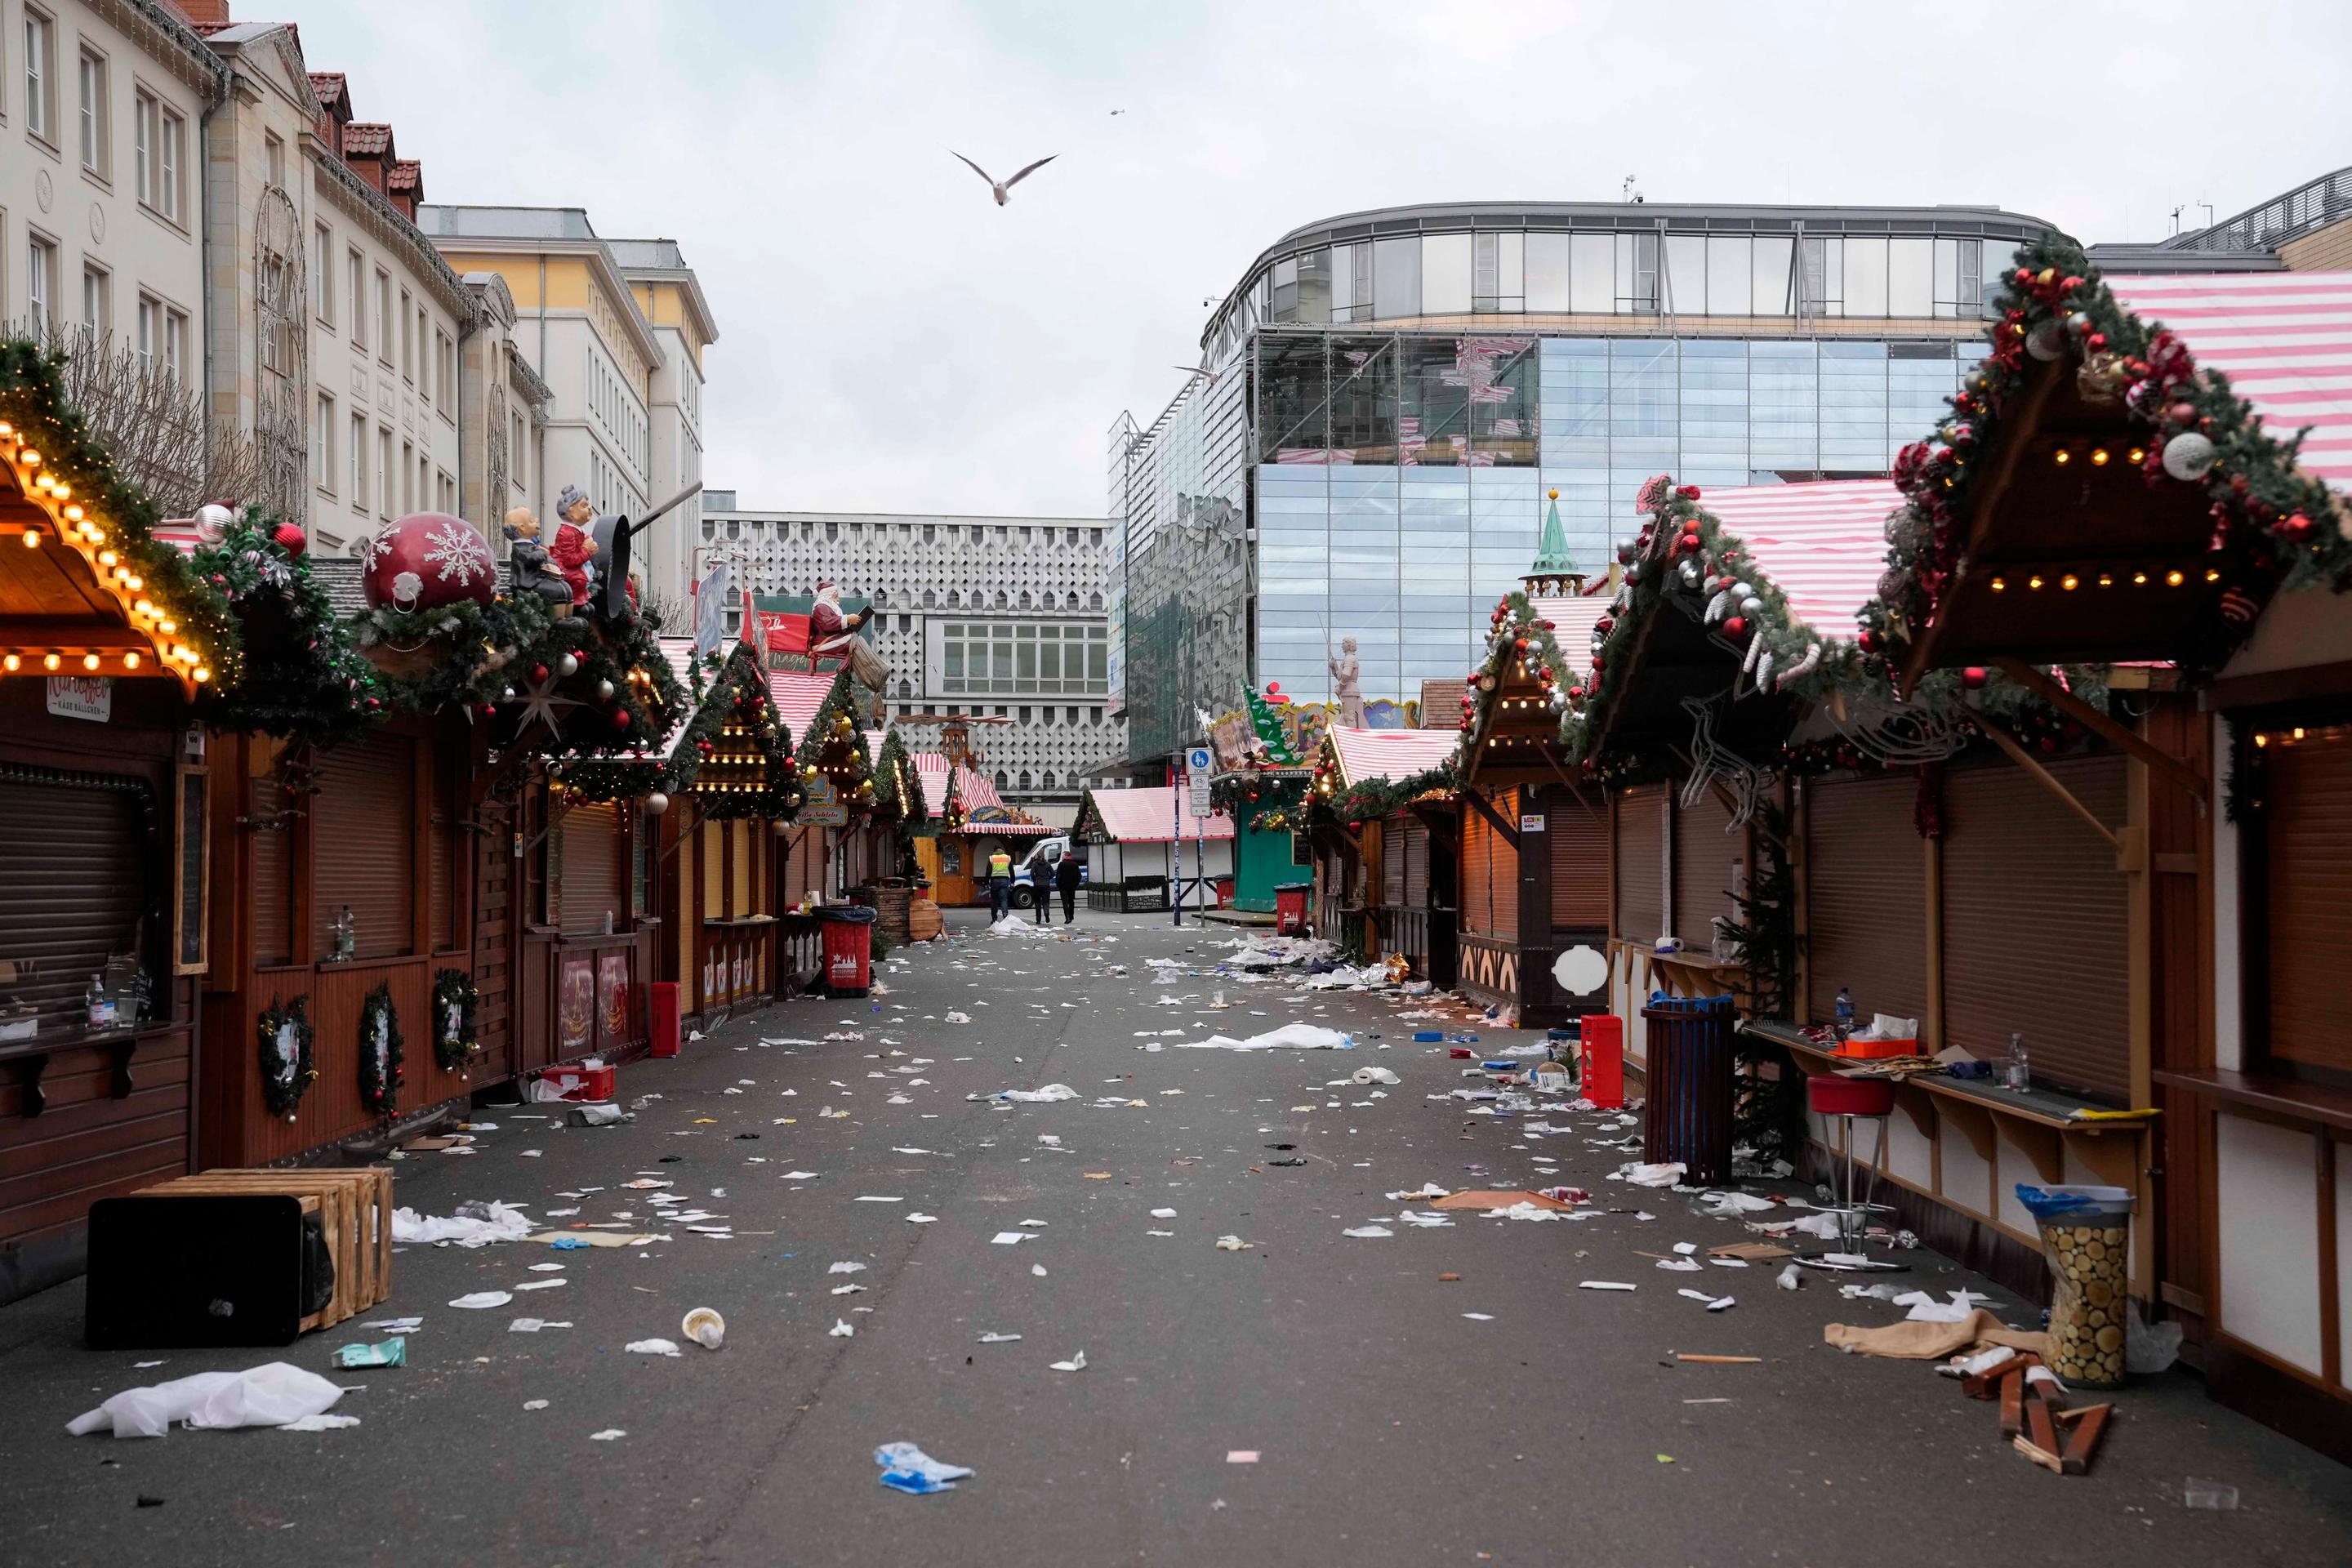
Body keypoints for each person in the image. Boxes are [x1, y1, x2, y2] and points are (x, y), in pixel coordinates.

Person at [1054, 848, 1082, 925]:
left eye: (1063, 856)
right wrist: (1075, 884)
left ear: (1066, 856)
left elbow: (1058, 875)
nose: (1062, 857)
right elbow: (1079, 876)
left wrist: (1058, 885)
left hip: (1063, 887)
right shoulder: (1075, 864)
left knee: (1065, 902)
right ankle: (1071, 915)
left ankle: (1067, 918)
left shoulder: (1061, 864)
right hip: (1072, 887)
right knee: (1071, 901)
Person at [987, 847, 1013, 922]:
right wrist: (1013, 881)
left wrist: (986, 882)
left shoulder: (992, 858)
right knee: (1004, 899)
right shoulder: (1007, 858)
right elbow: (1011, 871)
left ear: (995, 852)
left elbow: (988, 871)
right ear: (1003, 852)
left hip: (994, 881)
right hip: (1004, 880)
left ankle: (994, 918)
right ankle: (1005, 916)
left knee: (994, 900)